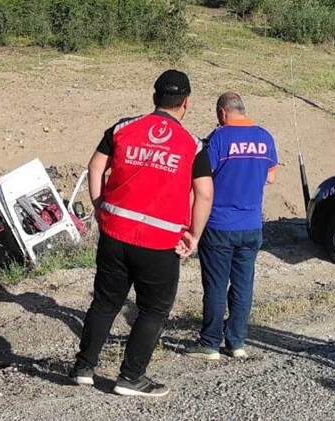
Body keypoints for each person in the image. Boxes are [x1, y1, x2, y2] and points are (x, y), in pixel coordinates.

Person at [71, 69, 214, 398]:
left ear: (154, 99)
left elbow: (95, 166)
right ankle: (130, 377)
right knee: (153, 310)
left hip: (115, 233)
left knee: (106, 303)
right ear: (186, 103)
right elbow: (205, 193)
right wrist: (194, 234)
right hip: (160, 243)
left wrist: (99, 205)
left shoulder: (123, 127)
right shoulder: (192, 146)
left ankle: (83, 368)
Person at [187, 92, 276, 361]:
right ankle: (236, 342)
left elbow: (203, 177)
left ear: (222, 113)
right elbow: (270, 178)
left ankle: (210, 343)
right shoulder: (265, 137)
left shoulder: (218, 138)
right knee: (243, 285)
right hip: (251, 225)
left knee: (215, 285)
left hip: (218, 224)